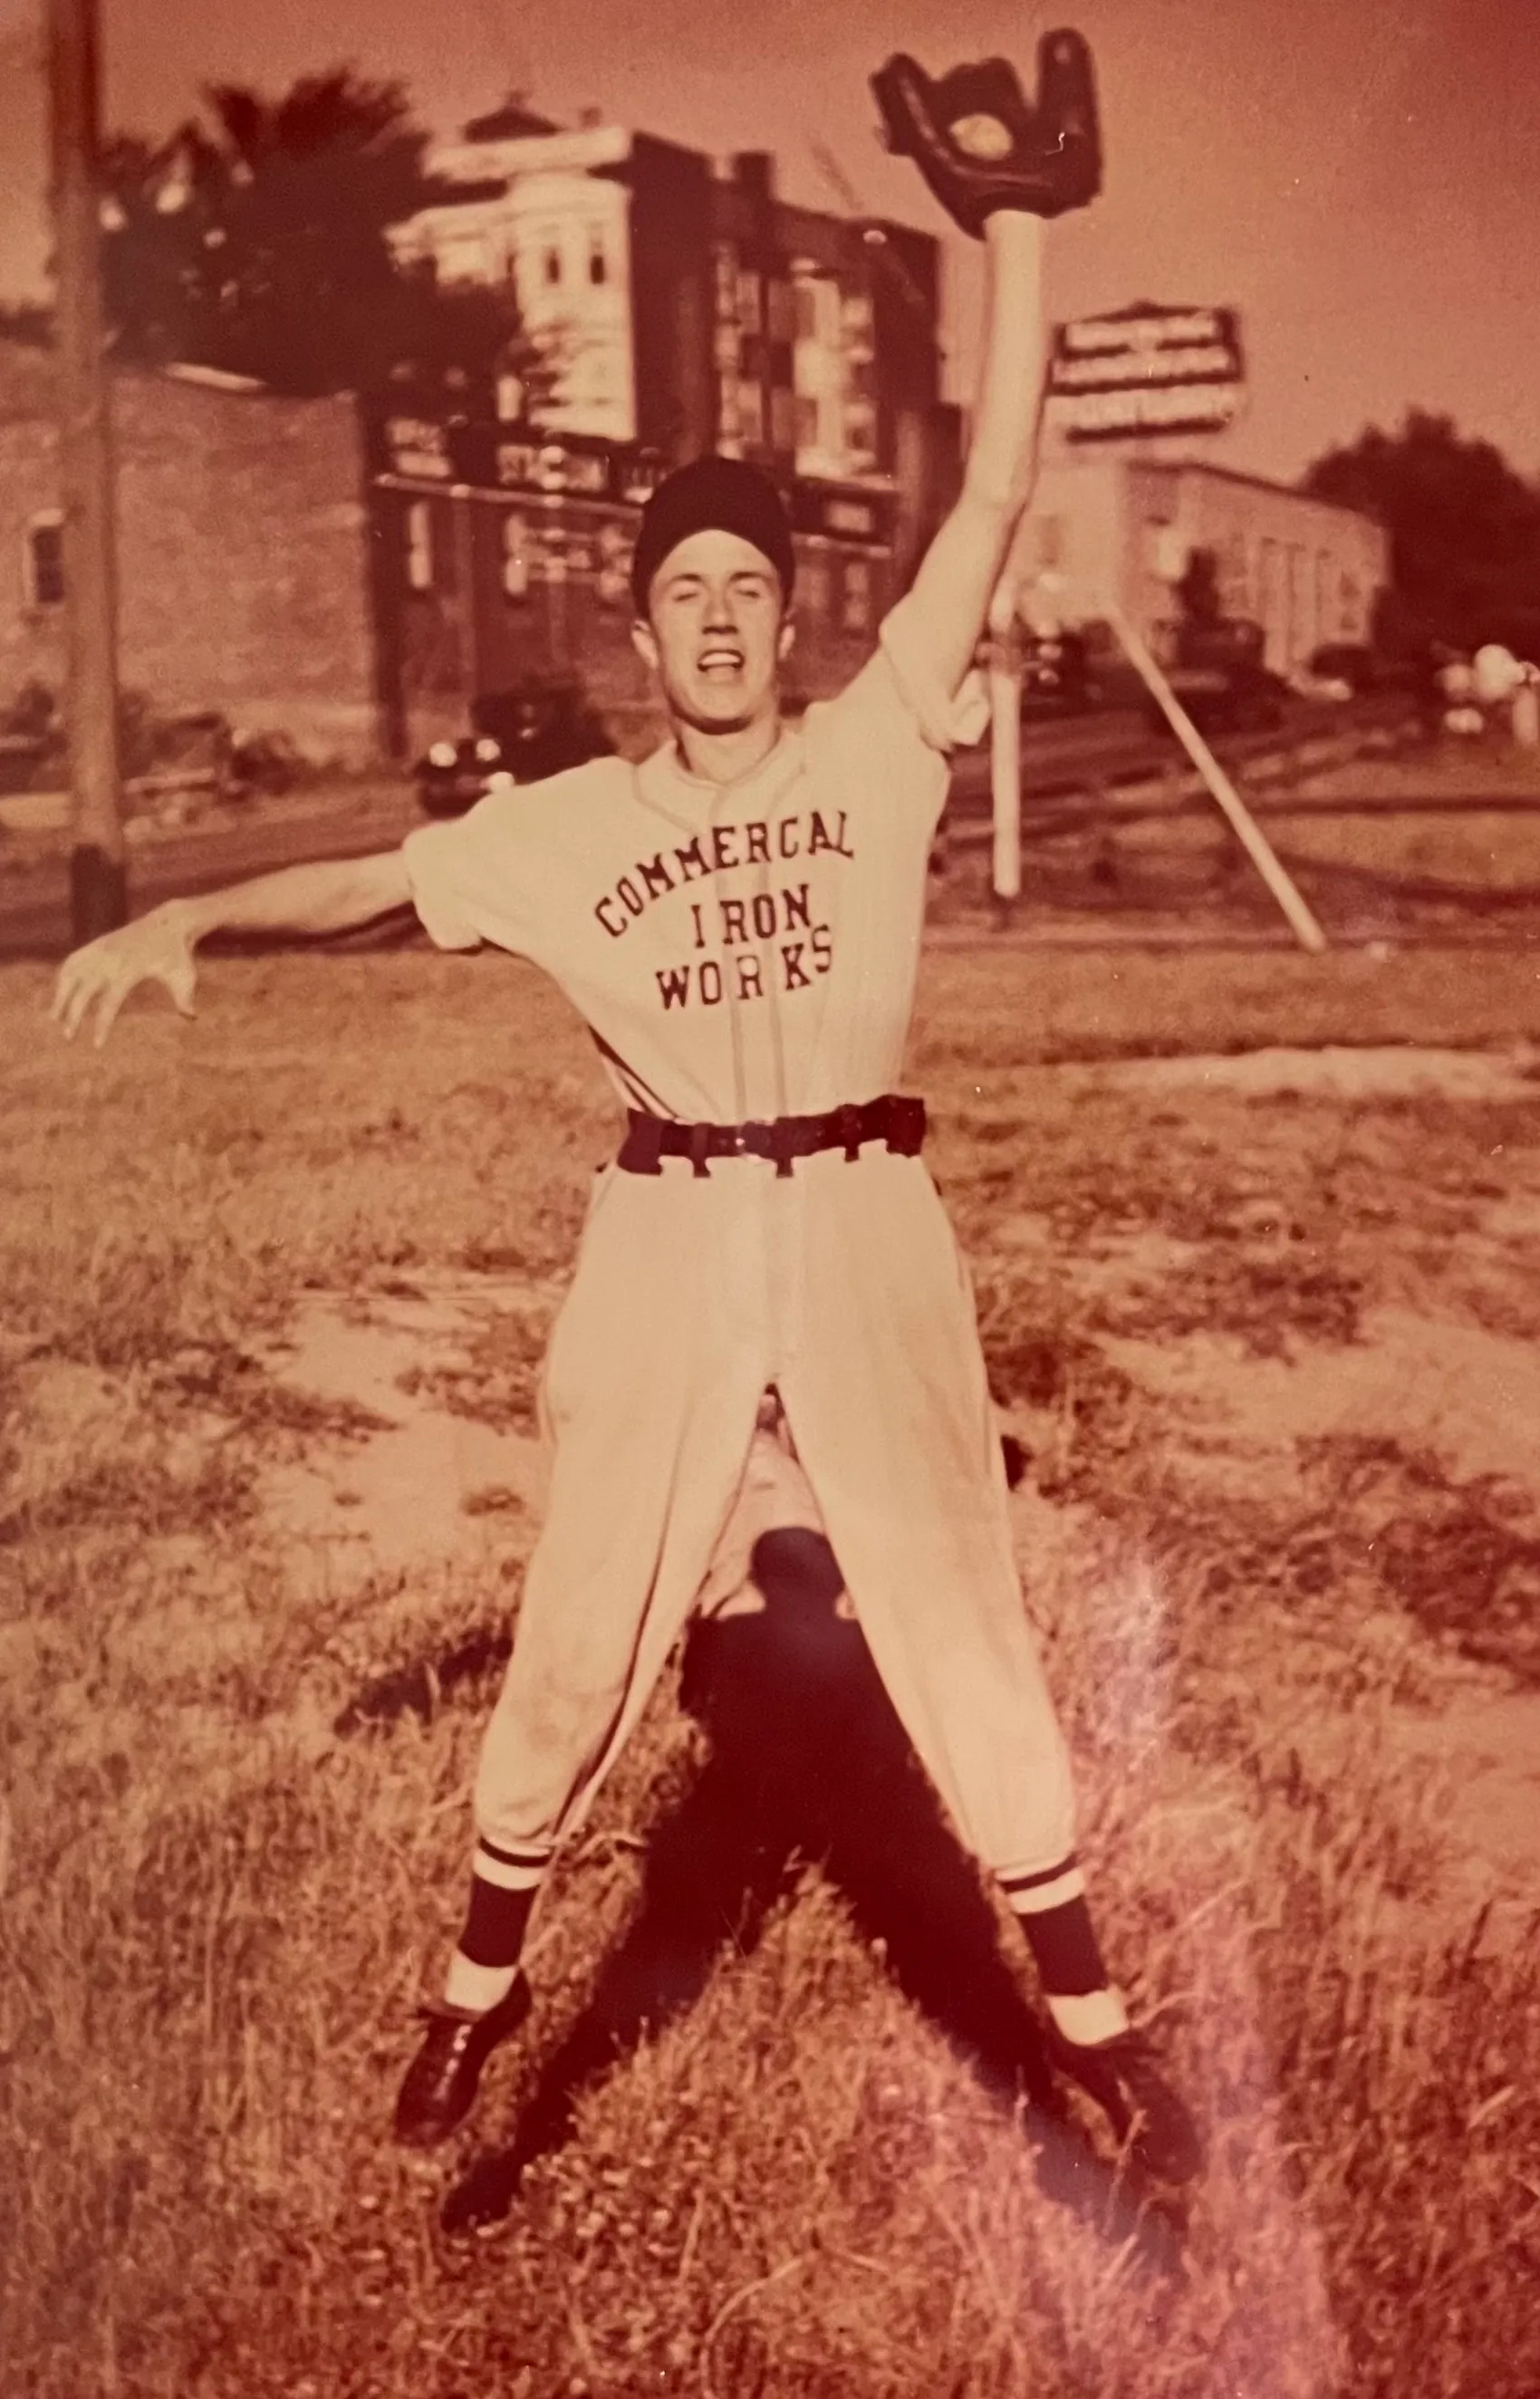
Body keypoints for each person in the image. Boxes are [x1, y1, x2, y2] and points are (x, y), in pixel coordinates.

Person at [52, 206, 1198, 2189]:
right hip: (666, 1232)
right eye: (690, 589)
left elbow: (1000, 485)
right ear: (643, 633)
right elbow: (380, 876)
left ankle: (1097, 2035)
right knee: (582, 1621)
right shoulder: (567, 830)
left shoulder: (870, 748)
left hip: (858, 1216)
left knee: (952, 1602)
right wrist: (197, 909)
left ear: (787, 618)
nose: (728, 617)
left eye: (753, 583)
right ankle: (473, 2004)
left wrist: (1014, 229)